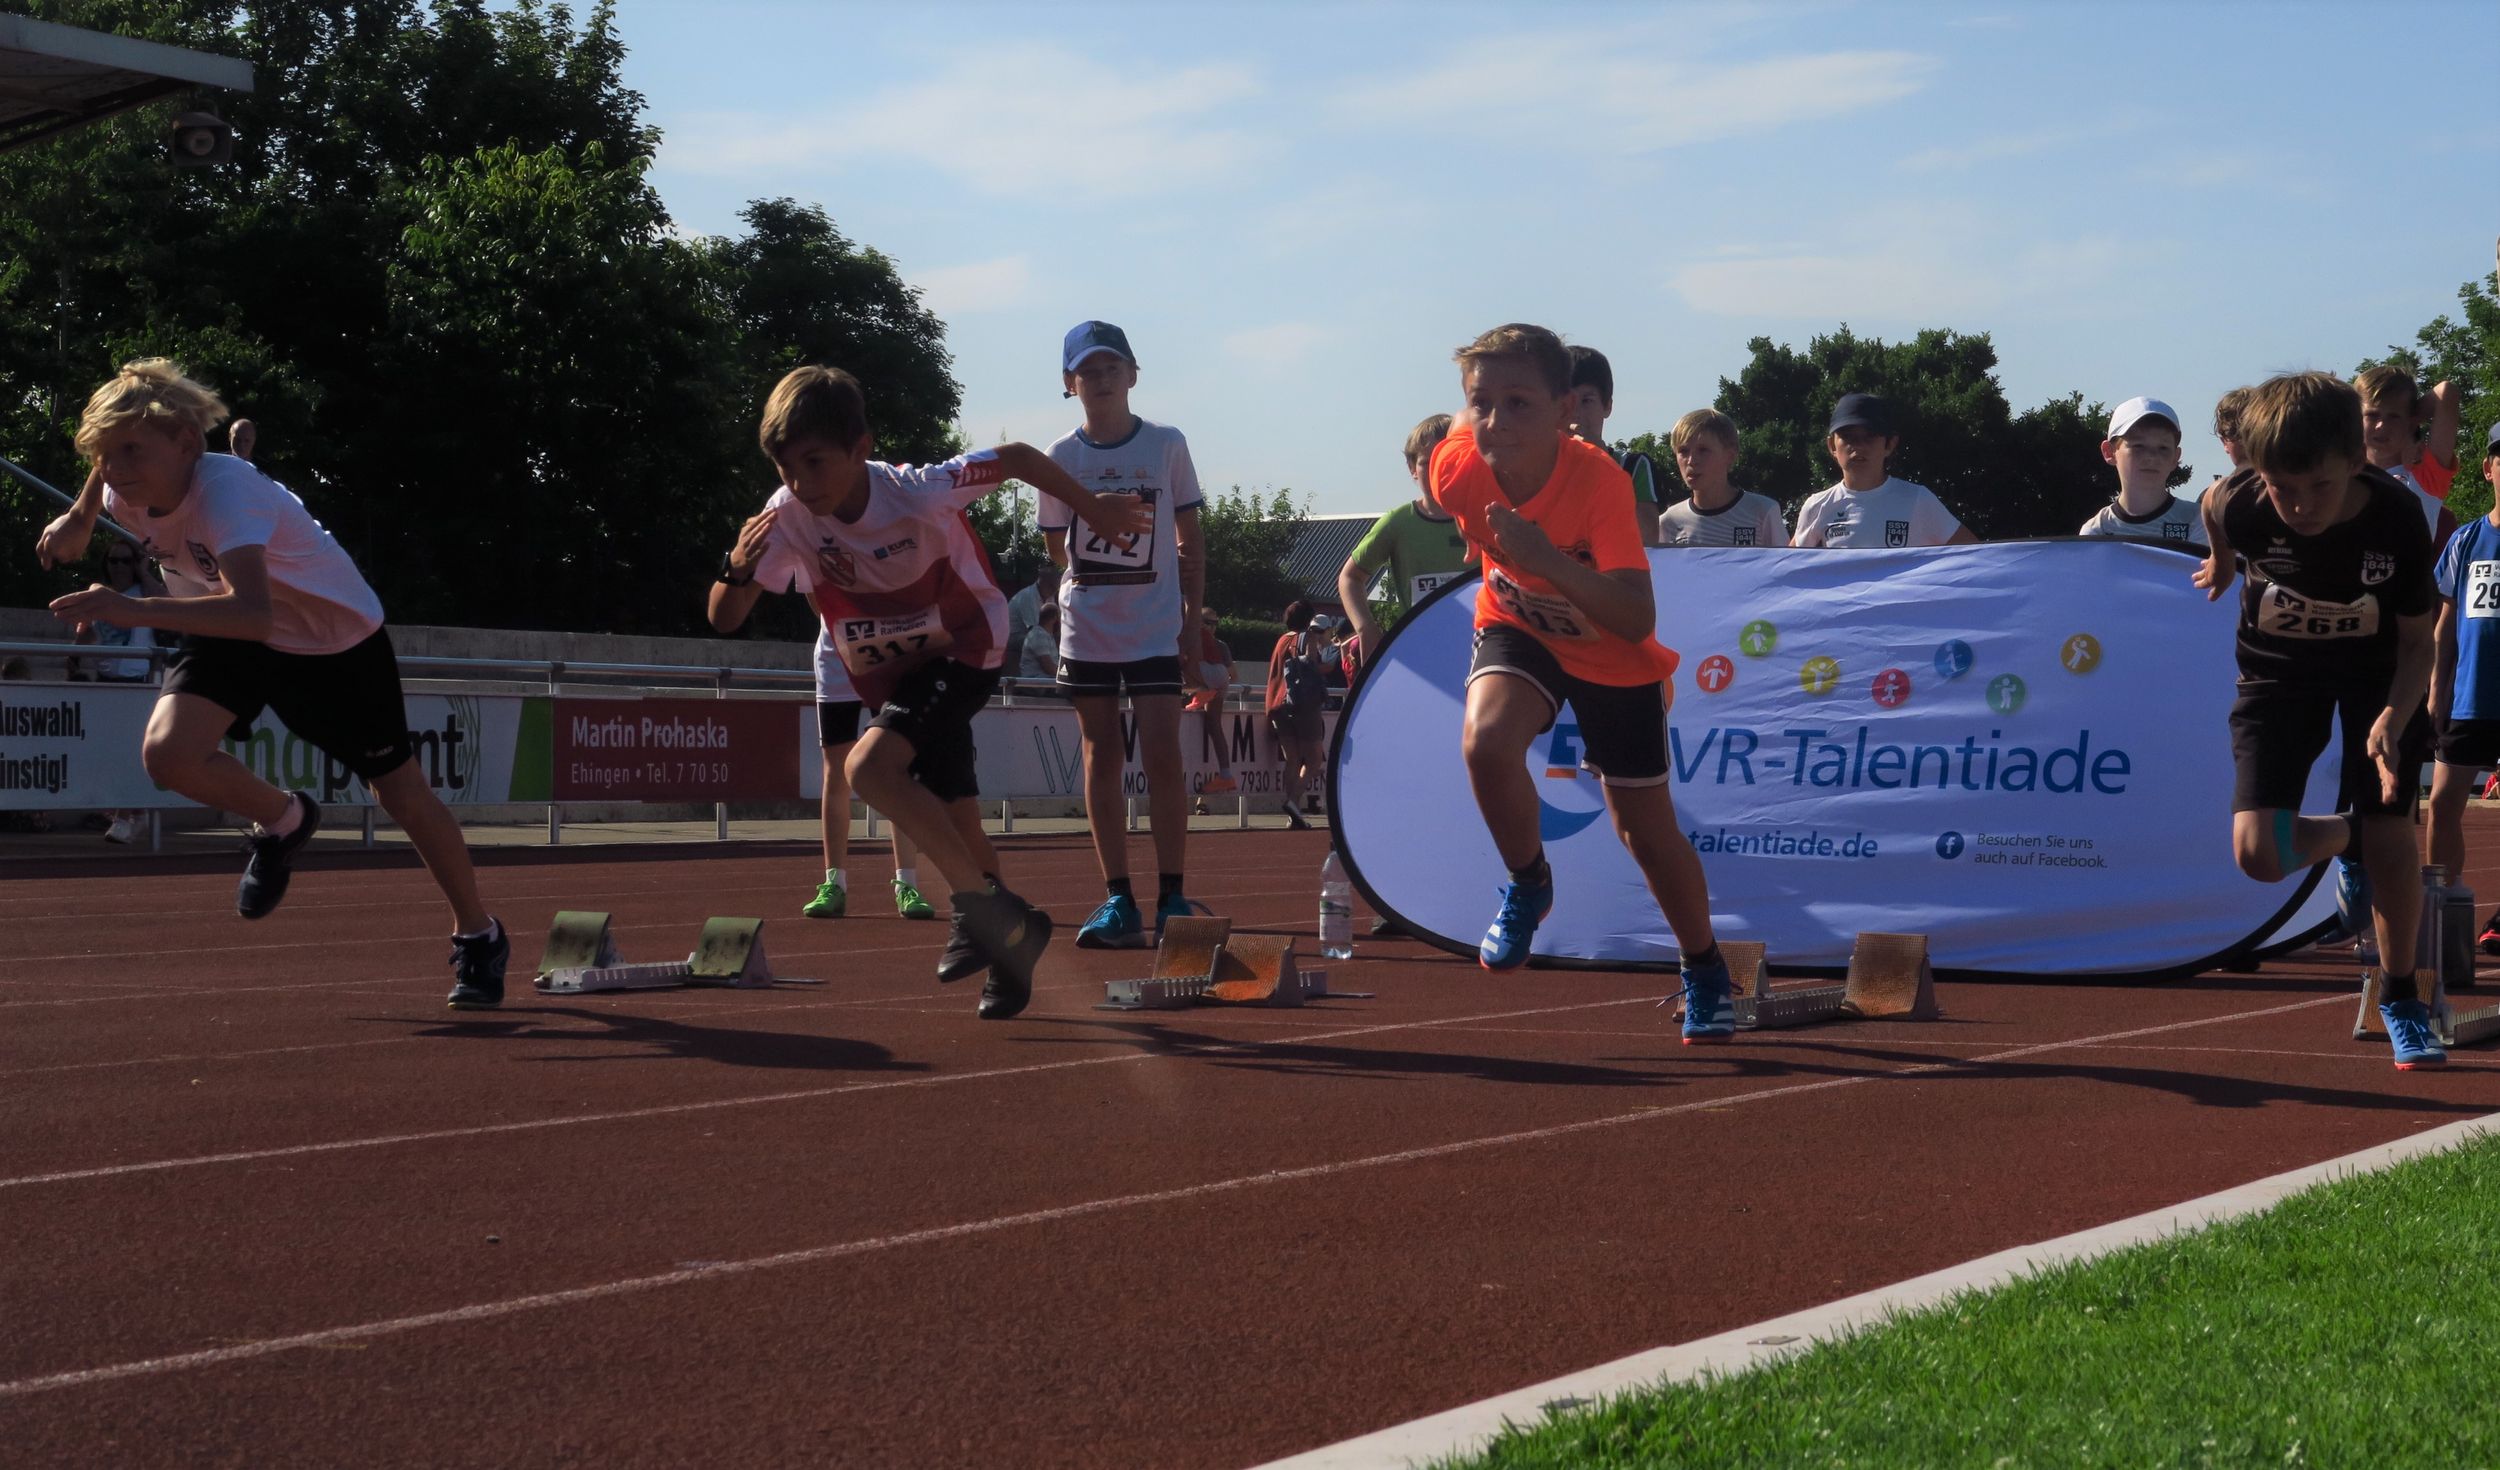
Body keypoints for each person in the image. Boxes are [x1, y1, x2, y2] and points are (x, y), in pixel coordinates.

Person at [36, 359, 509, 1006]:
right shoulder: (127, 485)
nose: (115, 469)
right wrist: (81, 515)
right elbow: (111, 467)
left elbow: (256, 612)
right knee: (168, 756)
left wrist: (131, 610)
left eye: (131, 452)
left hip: (329, 641)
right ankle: (286, 820)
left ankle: (479, 934)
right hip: (227, 627)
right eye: (105, 455)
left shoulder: (226, 494)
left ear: (187, 444)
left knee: (399, 791)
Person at [709, 364, 1147, 1020]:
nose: (799, 483)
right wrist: (737, 569)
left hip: (966, 646)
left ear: (861, 448)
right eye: (784, 467)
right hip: (897, 673)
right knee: (960, 820)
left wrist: (1096, 509)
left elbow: (1017, 458)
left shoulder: (917, 492)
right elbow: (724, 618)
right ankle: (1011, 945)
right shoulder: (788, 515)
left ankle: (983, 911)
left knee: (867, 767)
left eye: (814, 462)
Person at [1432, 323, 1734, 1040]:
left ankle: (1704, 965)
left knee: (1644, 831)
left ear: (1565, 409)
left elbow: (1635, 616)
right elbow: (1450, 451)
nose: (1496, 422)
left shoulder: (1599, 482)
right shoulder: (1456, 466)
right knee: (1485, 742)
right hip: (1518, 624)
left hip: (1610, 649)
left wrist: (1546, 558)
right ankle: (1529, 881)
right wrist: (1502, 553)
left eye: (1519, 403)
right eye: (1481, 403)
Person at [2194, 370, 2442, 1069]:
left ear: (2357, 460)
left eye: (2320, 487)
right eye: (2283, 487)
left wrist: (2394, 715)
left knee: (2393, 832)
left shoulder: (2396, 517)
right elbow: (2213, 505)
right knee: (2259, 856)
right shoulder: (2242, 500)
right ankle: (2348, 837)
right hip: (2278, 670)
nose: (2301, 506)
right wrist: (2221, 560)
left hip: (2376, 674)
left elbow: (2419, 642)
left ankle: (2401, 996)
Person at [1040, 321, 1211, 949]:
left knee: (1164, 753)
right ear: (1070, 384)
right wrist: (1101, 547)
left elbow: (1191, 540)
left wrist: (1191, 623)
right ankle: (1117, 898)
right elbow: (1056, 546)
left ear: (1133, 375)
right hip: (1088, 629)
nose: (1102, 380)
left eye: (1112, 368)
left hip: (1154, 627)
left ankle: (1172, 895)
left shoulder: (1166, 444)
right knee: (1100, 754)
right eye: (1088, 371)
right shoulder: (1061, 457)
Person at [791, 622, 937, 922]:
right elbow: (817, 602)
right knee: (835, 770)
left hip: (885, 655)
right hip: (835, 659)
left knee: (895, 770)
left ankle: (907, 885)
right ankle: (834, 884)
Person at [2426, 421, 2500, 959]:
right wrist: (2437, 687)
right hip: (2471, 697)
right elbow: (2446, 622)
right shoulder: (2466, 539)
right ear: (2489, 469)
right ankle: (2439, 911)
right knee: (2442, 802)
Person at [1338, 413, 1468, 669]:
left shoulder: (1485, 517)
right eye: (1427, 462)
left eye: (1448, 459)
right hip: (1421, 652)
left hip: (1479, 648)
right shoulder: (1398, 523)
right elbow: (1349, 577)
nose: (1438, 469)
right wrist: (1365, 628)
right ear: (1412, 469)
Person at [68, 539, 167, 843]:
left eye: (126, 561)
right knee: (111, 752)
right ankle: (134, 813)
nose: (120, 567)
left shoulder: (143, 593)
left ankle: (125, 817)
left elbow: (167, 601)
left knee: (129, 749)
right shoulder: (100, 595)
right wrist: (75, 652)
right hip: (106, 680)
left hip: (137, 681)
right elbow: (87, 634)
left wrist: (145, 571)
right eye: (114, 561)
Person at [1793, 393, 1979, 548]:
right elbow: (1788, 567)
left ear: (1890, 444)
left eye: (1870, 436)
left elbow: (1975, 555)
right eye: (1848, 437)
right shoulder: (1817, 506)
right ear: (1832, 446)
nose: (1859, 446)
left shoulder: (1918, 499)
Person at [1564, 346, 1666, 546]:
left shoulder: (1633, 466)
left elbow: (1646, 537)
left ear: (1607, 406)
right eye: (1568, 402)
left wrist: (1600, 460)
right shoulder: (1535, 468)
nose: (1576, 413)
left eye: (1586, 401)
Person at [2077, 397, 2203, 545]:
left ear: (2176, 457)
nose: (2151, 457)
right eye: (2138, 446)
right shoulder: (2097, 530)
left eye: (2163, 448)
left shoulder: (2200, 520)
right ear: (2109, 452)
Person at [1657, 409, 1787, 547]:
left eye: (1703, 450)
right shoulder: (1668, 522)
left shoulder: (1762, 511)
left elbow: (1785, 560)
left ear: (1730, 456)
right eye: (1683, 451)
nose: (1691, 461)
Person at [1265, 600, 1327, 830]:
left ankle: (1293, 815)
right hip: (1303, 704)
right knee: (1314, 760)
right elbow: (1313, 664)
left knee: (1291, 758)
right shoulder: (1307, 638)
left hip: (1278, 704)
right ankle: (1293, 802)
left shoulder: (1281, 640)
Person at [2356, 366, 2461, 502]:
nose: (2381, 425)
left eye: (2394, 417)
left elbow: (2447, 392)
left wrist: (2411, 424)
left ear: (2410, 421)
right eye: (2372, 415)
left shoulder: (2425, 478)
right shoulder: (2345, 474)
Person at [1189, 610, 1237, 799]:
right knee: (1214, 726)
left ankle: (1202, 692)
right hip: (1215, 681)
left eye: (1215, 623)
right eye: (1208, 622)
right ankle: (1225, 775)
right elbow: (1231, 676)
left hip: (1210, 681)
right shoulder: (1217, 644)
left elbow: (1233, 675)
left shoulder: (1217, 644)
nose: (1212, 627)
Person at [1003, 565, 1059, 682]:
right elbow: (1036, 632)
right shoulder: (1027, 597)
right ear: (1044, 582)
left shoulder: (1049, 596)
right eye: (1053, 586)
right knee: (1042, 638)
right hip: (1012, 638)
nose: (1055, 590)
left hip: (1030, 635)